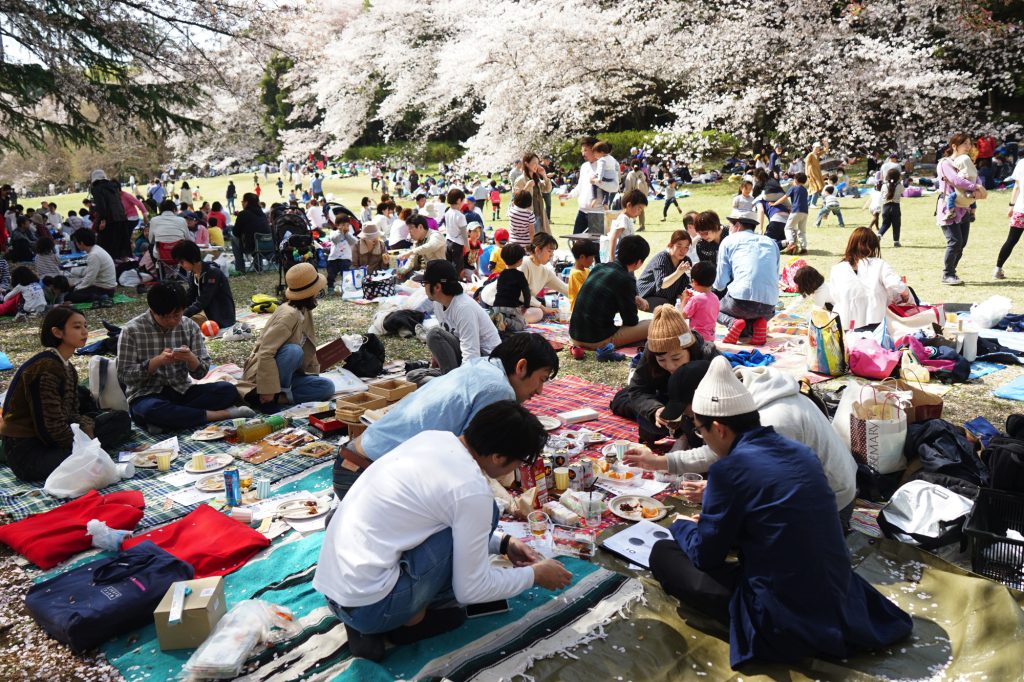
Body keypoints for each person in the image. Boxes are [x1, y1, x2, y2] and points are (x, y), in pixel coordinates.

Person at [645, 357, 912, 668]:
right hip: (837, 592)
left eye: (700, 430)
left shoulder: (729, 471)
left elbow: (707, 557)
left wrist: (684, 528)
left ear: (718, 427)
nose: (701, 436)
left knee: (663, 553)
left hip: (782, 610)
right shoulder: (798, 450)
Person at [315, 400, 572, 661]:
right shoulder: (472, 491)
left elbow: (440, 515)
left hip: (335, 585)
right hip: (372, 608)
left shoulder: (434, 439)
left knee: (440, 523)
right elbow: (471, 590)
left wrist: (503, 543)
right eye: (517, 463)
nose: (515, 470)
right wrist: (534, 575)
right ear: (497, 457)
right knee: (484, 520)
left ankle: (382, 612)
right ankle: (402, 622)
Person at [626, 359, 857, 528]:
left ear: (708, 399)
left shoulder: (773, 421)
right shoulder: (740, 394)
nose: (692, 422)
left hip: (830, 505)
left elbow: (777, 494)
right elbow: (718, 450)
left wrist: (723, 496)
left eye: (692, 416)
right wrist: (659, 462)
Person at [333, 333, 558, 497]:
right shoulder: (499, 390)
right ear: (521, 367)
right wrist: (510, 503)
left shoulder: (483, 366)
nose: (540, 391)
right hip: (363, 475)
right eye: (542, 378)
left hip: (352, 459)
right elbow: (475, 462)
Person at [0, 308, 131, 481]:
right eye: (77, 327)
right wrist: (85, 443)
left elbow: (70, 414)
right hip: (29, 454)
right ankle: (84, 454)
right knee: (94, 451)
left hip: (54, 439)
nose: (84, 332)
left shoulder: (66, 367)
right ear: (57, 332)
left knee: (119, 420)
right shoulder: (45, 368)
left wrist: (85, 430)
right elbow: (50, 428)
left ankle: (86, 451)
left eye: (85, 326)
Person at [117, 283, 252, 432]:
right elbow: (124, 375)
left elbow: (200, 373)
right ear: (152, 310)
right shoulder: (131, 331)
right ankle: (221, 414)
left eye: (176, 315)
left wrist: (191, 358)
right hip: (147, 394)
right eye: (165, 317)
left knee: (227, 390)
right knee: (149, 409)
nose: (172, 321)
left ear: (183, 309)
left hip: (182, 391)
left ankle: (167, 420)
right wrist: (155, 362)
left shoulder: (189, 326)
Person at [609, 305, 715, 443]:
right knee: (623, 401)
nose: (670, 366)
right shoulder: (652, 352)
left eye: (677, 358)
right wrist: (655, 410)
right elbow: (638, 389)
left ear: (689, 349)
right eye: (662, 360)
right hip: (668, 401)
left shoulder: (707, 356)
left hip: (700, 412)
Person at [410, 260, 500, 382]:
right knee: (413, 376)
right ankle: (448, 381)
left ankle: (452, 384)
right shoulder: (438, 304)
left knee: (434, 334)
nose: (424, 287)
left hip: (485, 363)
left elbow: (471, 355)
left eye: (425, 283)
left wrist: (459, 382)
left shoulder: (463, 308)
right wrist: (438, 356)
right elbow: (448, 335)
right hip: (463, 363)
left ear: (437, 287)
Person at [569, 235, 652, 360]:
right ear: (639, 262)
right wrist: (633, 302)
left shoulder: (598, 267)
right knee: (653, 324)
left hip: (575, 335)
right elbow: (631, 321)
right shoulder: (626, 279)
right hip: (596, 340)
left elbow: (604, 299)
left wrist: (632, 298)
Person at [816, 227, 909, 331]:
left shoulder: (837, 269)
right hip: (877, 323)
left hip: (847, 325)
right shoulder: (878, 264)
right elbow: (896, 284)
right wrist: (905, 294)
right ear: (873, 246)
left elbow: (835, 296)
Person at [714, 209, 779, 346]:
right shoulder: (771, 242)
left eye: (730, 225)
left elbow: (720, 283)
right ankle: (757, 324)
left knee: (713, 306)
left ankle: (732, 322)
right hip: (769, 307)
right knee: (747, 318)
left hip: (740, 303)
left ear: (737, 226)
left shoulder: (729, 240)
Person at [936, 133, 987, 286]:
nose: (968, 147)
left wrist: (979, 186)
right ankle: (947, 274)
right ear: (954, 146)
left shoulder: (966, 162)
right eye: (965, 144)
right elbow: (956, 180)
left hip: (964, 207)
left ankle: (952, 271)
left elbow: (975, 176)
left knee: (962, 243)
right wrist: (976, 187)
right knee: (955, 241)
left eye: (970, 144)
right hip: (948, 207)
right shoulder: (945, 163)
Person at [171, 240, 236, 329]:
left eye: (182, 262)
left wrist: (183, 314)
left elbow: (203, 300)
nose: (180, 265)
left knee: (181, 325)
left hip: (221, 318)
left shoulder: (213, 273)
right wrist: (177, 310)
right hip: (207, 314)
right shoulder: (193, 274)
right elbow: (190, 296)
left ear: (192, 258)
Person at [636, 229, 692, 309]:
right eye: (679, 246)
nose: (683, 250)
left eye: (686, 247)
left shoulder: (686, 261)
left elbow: (683, 288)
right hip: (647, 296)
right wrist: (678, 273)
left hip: (668, 299)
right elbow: (662, 284)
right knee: (666, 307)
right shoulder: (661, 258)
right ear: (671, 245)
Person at [66, 228, 116, 305]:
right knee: (71, 289)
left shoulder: (94, 255)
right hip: (103, 286)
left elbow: (90, 278)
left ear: (81, 243)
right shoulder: (96, 249)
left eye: (76, 242)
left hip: (104, 288)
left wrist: (78, 288)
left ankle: (100, 297)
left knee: (69, 296)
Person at [488, 244, 531, 335]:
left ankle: (497, 319)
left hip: (497, 306)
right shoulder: (519, 275)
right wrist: (526, 305)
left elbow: (499, 290)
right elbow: (526, 292)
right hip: (511, 307)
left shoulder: (502, 274)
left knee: (500, 320)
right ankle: (506, 321)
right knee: (522, 325)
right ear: (520, 260)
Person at [995, 156, 1024, 279]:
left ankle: (997, 269)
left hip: (1021, 208)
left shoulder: (1022, 163)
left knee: (1011, 240)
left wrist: (1011, 205)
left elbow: (1017, 187)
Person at [232, 192, 272, 274]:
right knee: (256, 239)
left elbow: (235, 232)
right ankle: (258, 266)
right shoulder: (263, 214)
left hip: (251, 247)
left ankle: (240, 268)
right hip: (268, 245)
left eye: (242, 201)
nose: (242, 203)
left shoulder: (243, 214)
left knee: (233, 238)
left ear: (246, 202)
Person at [396, 215, 445, 281]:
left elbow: (431, 245)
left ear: (420, 227)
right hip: (422, 273)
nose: (409, 231)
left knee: (412, 279)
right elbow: (411, 261)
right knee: (398, 275)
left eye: (411, 228)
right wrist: (402, 271)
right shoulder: (417, 241)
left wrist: (411, 252)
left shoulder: (436, 235)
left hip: (437, 274)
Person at [512, 153, 552, 234]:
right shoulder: (520, 180)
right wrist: (527, 187)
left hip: (540, 215)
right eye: (534, 163)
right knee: (531, 243)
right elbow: (516, 201)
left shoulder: (536, 178)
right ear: (526, 164)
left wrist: (544, 175)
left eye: (538, 163)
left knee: (541, 243)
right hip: (528, 218)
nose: (536, 166)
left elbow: (547, 189)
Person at [570, 136, 602, 234]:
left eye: (585, 150)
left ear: (594, 150)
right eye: (582, 150)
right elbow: (580, 186)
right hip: (582, 211)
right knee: (576, 242)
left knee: (595, 245)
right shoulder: (584, 166)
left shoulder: (603, 166)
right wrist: (569, 195)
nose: (583, 153)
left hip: (597, 212)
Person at [681, 261, 719, 340]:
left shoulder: (696, 299)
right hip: (710, 338)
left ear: (694, 281)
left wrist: (684, 299)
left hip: (696, 338)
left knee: (677, 338)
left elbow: (682, 316)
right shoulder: (715, 298)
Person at [607, 189, 647, 261]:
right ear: (629, 205)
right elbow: (613, 238)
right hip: (621, 259)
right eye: (639, 208)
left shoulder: (627, 219)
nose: (640, 212)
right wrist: (612, 259)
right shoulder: (623, 219)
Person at [775, 172, 809, 254]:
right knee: (802, 231)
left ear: (796, 180)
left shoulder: (793, 188)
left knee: (788, 228)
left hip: (796, 211)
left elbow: (784, 198)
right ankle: (803, 248)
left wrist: (774, 203)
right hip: (805, 212)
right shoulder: (805, 190)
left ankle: (791, 243)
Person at [877, 168, 906, 247]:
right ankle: (896, 242)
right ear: (898, 177)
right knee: (896, 225)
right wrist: (901, 181)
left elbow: (882, 195)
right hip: (895, 207)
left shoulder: (884, 185)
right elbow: (903, 191)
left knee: (885, 224)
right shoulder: (899, 185)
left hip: (885, 207)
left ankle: (879, 235)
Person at [567, 239, 598, 311]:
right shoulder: (576, 274)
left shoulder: (586, 270)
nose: (593, 260)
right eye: (592, 257)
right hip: (579, 311)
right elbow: (585, 293)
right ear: (582, 257)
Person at [442, 188, 468, 272]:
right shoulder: (460, 216)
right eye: (463, 200)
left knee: (448, 266)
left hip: (448, 241)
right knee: (457, 268)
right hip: (457, 244)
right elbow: (464, 233)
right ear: (459, 200)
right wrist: (467, 245)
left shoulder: (447, 212)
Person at [623, 163, 650, 231]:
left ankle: (629, 225)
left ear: (632, 166)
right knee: (641, 211)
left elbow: (628, 185)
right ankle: (642, 226)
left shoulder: (630, 174)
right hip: (642, 194)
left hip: (633, 195)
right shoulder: (642, 173)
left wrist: (627, 195)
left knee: (630, 210)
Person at [804, 141, 826, 206]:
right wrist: (806, 172)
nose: (817, 149)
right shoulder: (810, 155)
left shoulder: (817, 154)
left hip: (817, 172)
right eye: (816, 148)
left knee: (813, 188)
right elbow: (806, 164)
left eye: (818, 148)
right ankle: (813, 203)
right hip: (811, 172)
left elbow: (825, 150)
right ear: (813, 148)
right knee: (816, 187)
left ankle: (808, 203)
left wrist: (826, 144)